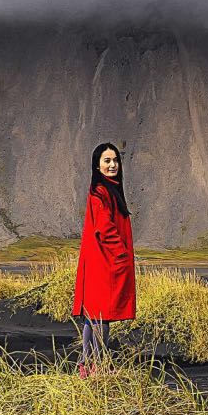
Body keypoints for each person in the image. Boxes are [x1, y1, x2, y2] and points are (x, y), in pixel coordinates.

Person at [72, 142, 134, 375]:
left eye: (115, 160)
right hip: (105, 263)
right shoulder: (100, 192)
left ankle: (85, 367)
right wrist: (121, 254)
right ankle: (101, 367)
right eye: (107, 161)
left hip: (101, 261)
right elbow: (105, 228)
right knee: (102, 316)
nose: (112, 165)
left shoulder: (108, 190)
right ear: (97, 166)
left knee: (92, 317)